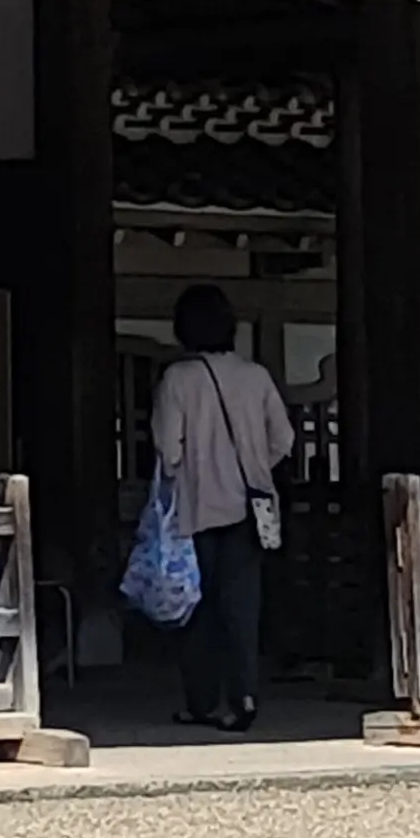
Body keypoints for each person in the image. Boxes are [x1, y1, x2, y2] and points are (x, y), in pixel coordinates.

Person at [145, 281, 294, 731]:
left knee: (198, 608)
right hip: (250, 508)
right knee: (243, 608)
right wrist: (253, 466)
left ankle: (202, 700)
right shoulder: (257, 377)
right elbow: (284, 439)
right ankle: (244, 695)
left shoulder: (179, 380)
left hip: (198, 506)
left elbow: (169, 449)